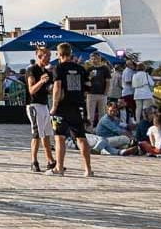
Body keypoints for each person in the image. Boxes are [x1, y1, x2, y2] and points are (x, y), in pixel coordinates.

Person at [50, 42, 93, 177]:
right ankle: (88, 169)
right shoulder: (80, 69)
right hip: (78, 105)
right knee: (81, 137)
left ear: (59, 54)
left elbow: (57, 87)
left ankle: (59, 167)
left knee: (59, 137)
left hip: (63, 106)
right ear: (70, 53)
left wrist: (54, 106)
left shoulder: (59, 68)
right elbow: (88, 86)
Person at [25, 47, 56, 173]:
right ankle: (34, 161)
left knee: (47, 133)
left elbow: (48, 89)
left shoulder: (47, 72)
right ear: (39, 56)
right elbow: (31, 90)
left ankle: (50, 160)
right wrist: (41, 82)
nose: (49, 58)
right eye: (46, 56)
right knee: (37, 134)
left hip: (44, 104)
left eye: (49, 56)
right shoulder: (32, 70)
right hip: (34, 104)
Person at [85, 54, 111, 127]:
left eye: (95, 59)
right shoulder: (89, 69)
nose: (94, 60)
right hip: (91, 94)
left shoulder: (105, 68)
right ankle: (89, 130)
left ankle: (101, 130)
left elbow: (108, 81)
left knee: (102, 115)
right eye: (92, 59)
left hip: (102, 94)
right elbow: (86, 82)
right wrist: (90, 76)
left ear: (99, 59)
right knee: (90, 116)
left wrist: (105, 93)